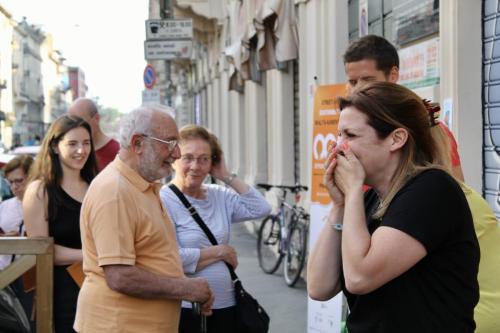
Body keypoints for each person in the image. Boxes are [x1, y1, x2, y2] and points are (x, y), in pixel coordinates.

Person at [307, 82, 479, 332]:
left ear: (396, 139)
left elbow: (359, 278)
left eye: (350, 135)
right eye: (339, 135)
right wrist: (339, 205)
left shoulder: (433, 190)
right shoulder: (367, 200)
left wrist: (353, 192)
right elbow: (319, 287)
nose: (338, 147)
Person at [74, 105, 214, 333]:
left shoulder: (139, 185)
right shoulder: (115, 191)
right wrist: (186, 288)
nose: (177, 153)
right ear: (138, 143)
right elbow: (120, 277)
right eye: (169, 143)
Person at [160, 124, 271, 333]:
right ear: (175, 158)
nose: (196, 166)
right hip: (187, 307)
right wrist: (220, 252)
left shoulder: (219, 195)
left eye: (204, 159)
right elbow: (169, 258)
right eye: (188, 157)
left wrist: (226, 175)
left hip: (228, 303)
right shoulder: (163, 199)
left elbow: (261, 208)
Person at [343, 34, 464, 181]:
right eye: (353, 82)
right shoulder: (347, 129)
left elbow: (457, 192)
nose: (358, 89)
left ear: (393, 75)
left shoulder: (429, 129)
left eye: (368, 80)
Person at [23, 115, 98, 332]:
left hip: (102, 286)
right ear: (55, 146)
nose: (81, 150)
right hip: (62, 292)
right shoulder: (39, 191)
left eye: (86, 143)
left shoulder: (97, 185)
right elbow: (39, 249)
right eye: (72, 143)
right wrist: (92, 255)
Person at [431, 124, 500, 333]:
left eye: (352, 135)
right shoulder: (458, 193)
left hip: (473, 318)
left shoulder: (432, 201)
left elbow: (359, 278)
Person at [0, 155, 35, 323]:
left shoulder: (44, 204)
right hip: (5, 277)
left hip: (31, 280)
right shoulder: (4, 206)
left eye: (19, 181)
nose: (14, 187)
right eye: (10, 182)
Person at [68, 98, 120, 171]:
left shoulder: (118, 153)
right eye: (70, 123)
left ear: (96, 118)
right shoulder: (70, 153)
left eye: (80, 122)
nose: (74, 128)